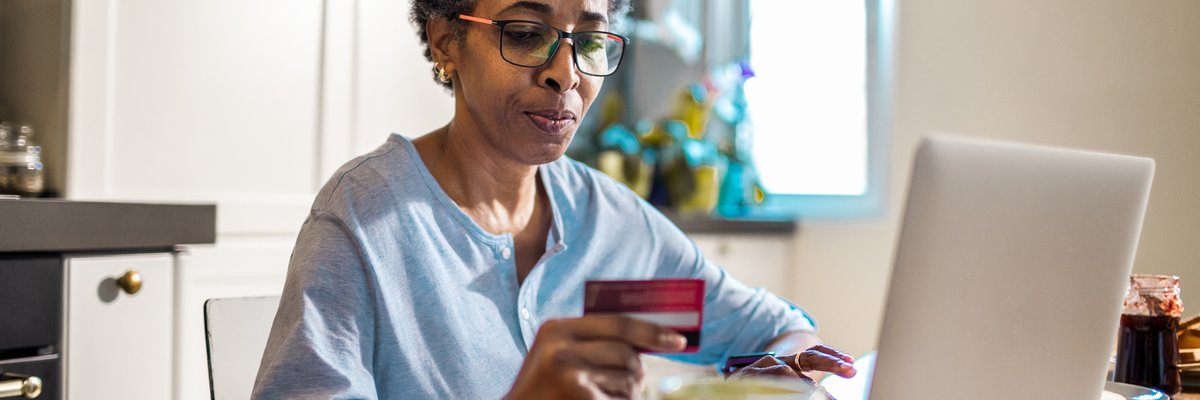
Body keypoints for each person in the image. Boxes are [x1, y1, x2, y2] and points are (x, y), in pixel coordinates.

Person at [251, 0, 856, 398]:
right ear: (445, 43)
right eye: (526, 33)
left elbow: (772, 331)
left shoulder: (609, 223)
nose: (565, 72)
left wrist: (794, 368)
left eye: (588, 41)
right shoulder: (363, 222)